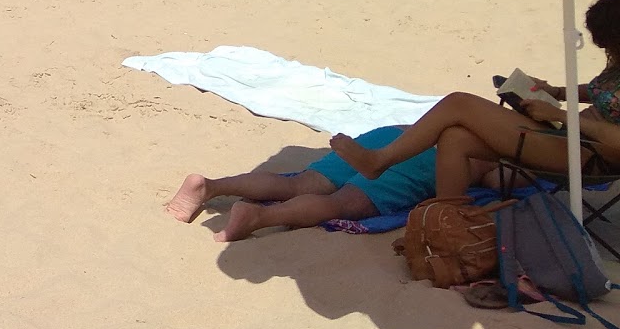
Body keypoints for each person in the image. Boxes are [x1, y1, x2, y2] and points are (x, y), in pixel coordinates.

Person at [329, 0, 620, 197]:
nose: (606, 51)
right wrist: (556, 91)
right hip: (571, 138)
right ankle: (450, 217)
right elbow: (602, 94)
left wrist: (561, 115)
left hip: (590, 156)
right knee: (454, 138)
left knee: (459, 103)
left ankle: (380, 161)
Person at [163, 126, 496, 242]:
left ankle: (210, 186)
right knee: (344, 204)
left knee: (298, 184)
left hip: (393, 135)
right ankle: (260, 218)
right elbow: (496, 180)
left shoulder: (476, 113)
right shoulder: (506, 149)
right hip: (424, 161)